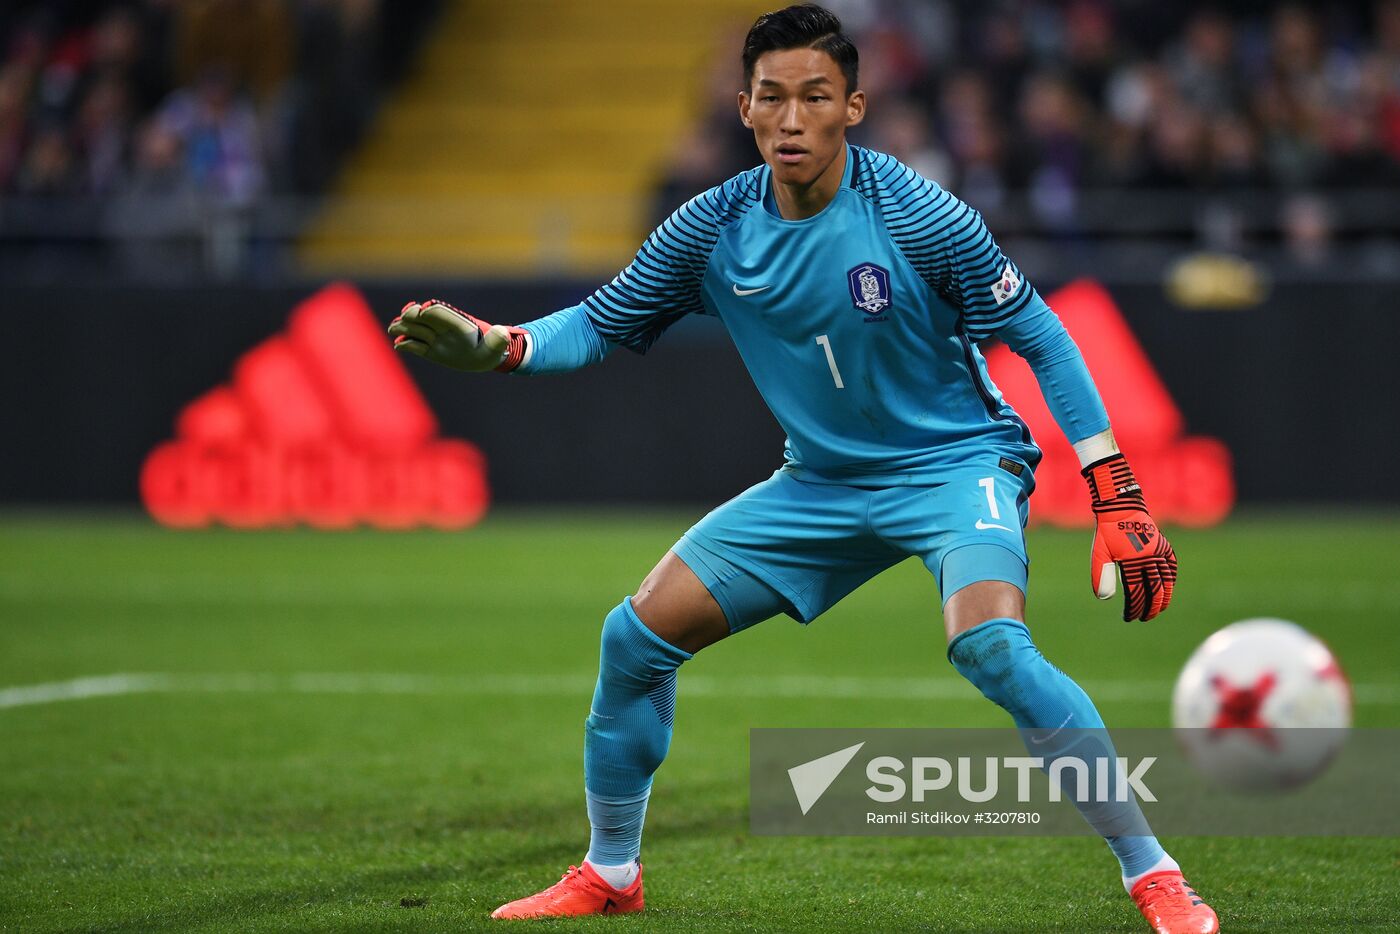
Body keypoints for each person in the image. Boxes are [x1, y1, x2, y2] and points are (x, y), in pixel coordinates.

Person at [387, 6, 1214, 932]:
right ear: (743, 106)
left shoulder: (918, 213)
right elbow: (600, 321)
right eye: (771, 97)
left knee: (990, 647)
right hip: (820, 483)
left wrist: (1116, 493)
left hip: (955, 466)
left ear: (853, 106)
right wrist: (501, 346)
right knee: (634, 638)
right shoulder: (712, 226)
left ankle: (1156, 876)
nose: (791, 119)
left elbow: (1043, 336)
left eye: (815, 97)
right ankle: (611, 871)